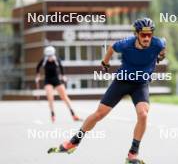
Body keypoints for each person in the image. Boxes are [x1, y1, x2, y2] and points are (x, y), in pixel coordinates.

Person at [50, 18, 166, 163]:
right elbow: (111, 48)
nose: (147, 38)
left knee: (143, 115)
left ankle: (132, 154)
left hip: (140, 84)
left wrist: (162, 55)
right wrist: (105, 62)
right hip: (122, 82)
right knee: (99, 114)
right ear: (136, 34)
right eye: (143, 35)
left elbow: (163, 47)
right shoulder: (126, 44)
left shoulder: (157, 43)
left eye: (150, 34)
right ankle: (74, 141)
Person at [36, 46, 82, 122]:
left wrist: (63, 76)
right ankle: (52, 114)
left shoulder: (56, 60)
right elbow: (38, 67)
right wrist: (38, 76)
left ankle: (73, 114)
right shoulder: (44, 60)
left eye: (51, 56)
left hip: (56, 80)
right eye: (48, 56)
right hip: (48, 81)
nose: (50, 57)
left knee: (64, 97)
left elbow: (61, 67)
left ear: (53, 54)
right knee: (50, 97)